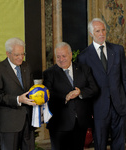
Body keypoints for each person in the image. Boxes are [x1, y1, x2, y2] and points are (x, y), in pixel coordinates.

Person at [78, 18, 126, 150]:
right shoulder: (84, 57)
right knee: (100, 145)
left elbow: (124, 78)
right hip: (98, 109)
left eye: (103, 30)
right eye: (97, 31)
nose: (101, 33)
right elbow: (84, 87)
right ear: (91, 34)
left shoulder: (118, 50)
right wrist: (88, 111)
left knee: (120, 145)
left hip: (119, 107)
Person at [43, 42, 98, 150]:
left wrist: (80, 92)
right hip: (59, 124)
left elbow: (94, 89)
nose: (61, 59)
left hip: (80, 122)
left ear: (71, 54)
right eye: (58, 57)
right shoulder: (49, 73)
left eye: (64, 56)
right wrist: (65, 96)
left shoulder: (84, 69)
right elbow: (48, 93)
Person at [0, 37, 36, 150]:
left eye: (22, 54)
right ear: (8, 53)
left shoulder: (26, 66)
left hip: (27, 121)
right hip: (9, 124)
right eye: (17, 55)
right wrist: (18, 99)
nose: (21, 57)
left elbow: (30, 90)